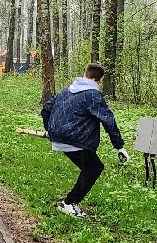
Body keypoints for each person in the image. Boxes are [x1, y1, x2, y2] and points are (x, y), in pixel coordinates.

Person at [43, 63, 128, 217]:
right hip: (75, 140)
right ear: (100, 80)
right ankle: (69, 203)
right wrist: (119, 146)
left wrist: (49, 130)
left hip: (60, 138)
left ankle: (70, 202)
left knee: (89, 167)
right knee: (93, 168)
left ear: (85, 74)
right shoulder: (93, 95)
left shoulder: (65, 91)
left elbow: (46, 108)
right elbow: (108, 120)